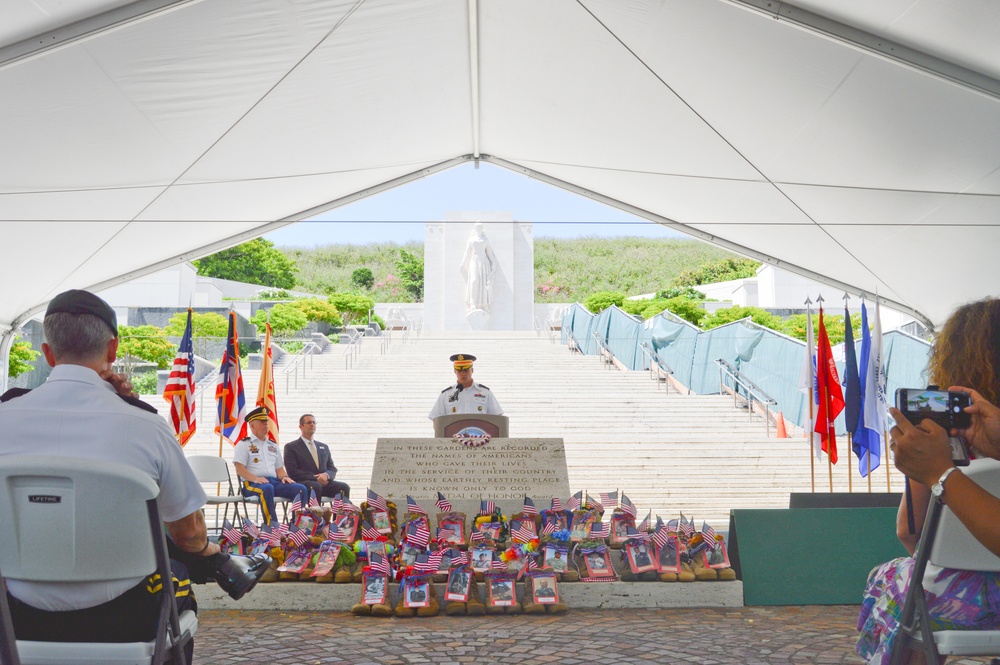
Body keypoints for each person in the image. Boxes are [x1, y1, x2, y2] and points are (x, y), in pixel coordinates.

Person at [0, 290, 268, 659]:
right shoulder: (146, 426)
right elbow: (188, 535)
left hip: (14, 615)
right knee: (177, 580)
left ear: (47, 353)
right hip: (125, 616)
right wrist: (210, 552)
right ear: (113, 350)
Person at [857, 298, 1000, 664]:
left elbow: (910, 532)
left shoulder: (940, 441)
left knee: (896, 579)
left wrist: (938, 472)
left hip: (968, 603)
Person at [234, 406, 308, 526]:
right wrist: (255, 479)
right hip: (252, 483)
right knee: (267, 488)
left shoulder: (273, 445)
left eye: (266, 421)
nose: (266, 424)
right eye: (262, 422)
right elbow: (239, 468)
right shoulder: (244, 444)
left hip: (273, 482)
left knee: (301, 489)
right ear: (252, 426)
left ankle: (297, 526)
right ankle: (272, 526)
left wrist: (284, 477)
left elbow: (279, 468)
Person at [283, 413, 351, 500]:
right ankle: (315, 513)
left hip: (324, 483)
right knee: (316, 486)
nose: (312, 424)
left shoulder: (323, 447)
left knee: (344, 487)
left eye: (314, 423)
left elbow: (332, 468)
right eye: (309, 422)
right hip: (304, 483)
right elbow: (292, 471)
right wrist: (316, 478)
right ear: (301, 427)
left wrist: (326, 475)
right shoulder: (291, 447)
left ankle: (342, 513)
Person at [428, 354, 503, 419]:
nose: (463, 374)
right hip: (453, 435)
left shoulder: (485, 392)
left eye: (466, 370)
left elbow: (497, 417)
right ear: (455, 372)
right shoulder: (446, 395)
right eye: (459, 371)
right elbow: (437, 420)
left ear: (472, 371)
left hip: (479, 435)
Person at [460, 222, 498, 313]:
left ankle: (484, 304)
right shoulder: (471, 240)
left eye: (480, 227)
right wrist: (462, 263)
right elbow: (467, 252)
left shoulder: (485, 240)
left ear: (482, 228)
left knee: (483, 283)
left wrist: (493, 263)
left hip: (484, 262)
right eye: (477, 227)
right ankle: (473, 303)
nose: (478, 228)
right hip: (474, 261)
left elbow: (489, 252)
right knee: (473, 280)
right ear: (475, 228)